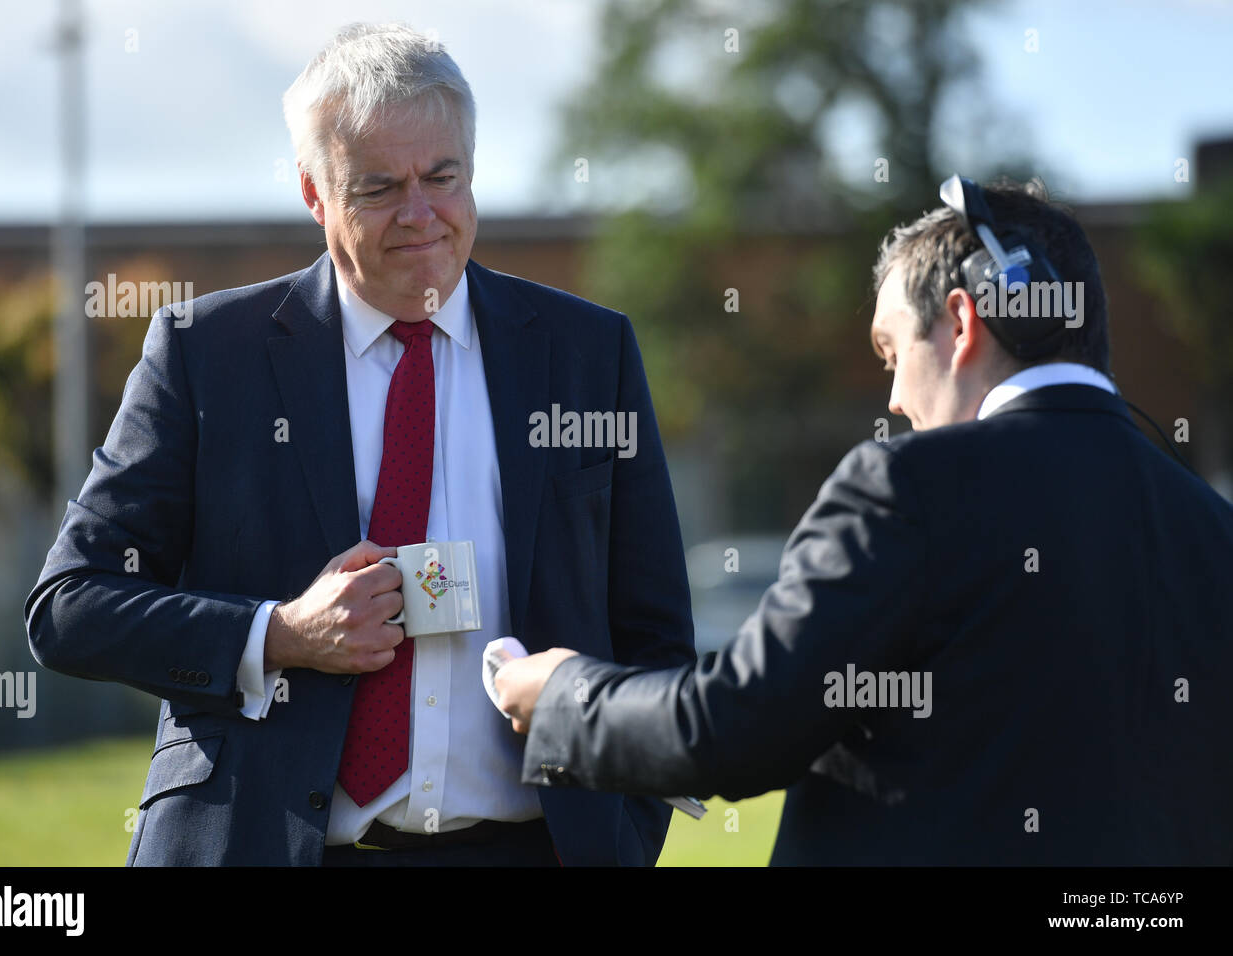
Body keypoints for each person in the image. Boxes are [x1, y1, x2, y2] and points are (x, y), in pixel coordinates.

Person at [25, 22, 694, 867]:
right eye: (378, 188)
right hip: (270, 846)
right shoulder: (208, 356)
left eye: (442, 177)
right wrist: (279, 634)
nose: (420, 216)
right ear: (314, 192)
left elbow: (657, 639)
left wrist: (628, 834)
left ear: (472, 171)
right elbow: (70, 606)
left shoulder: (587, 354)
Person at [496, 178, 1233, 865]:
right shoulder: (1212, 528)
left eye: (891, 353)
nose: (895, 401)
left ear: (963, 319)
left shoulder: (904, 486)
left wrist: (564, 693)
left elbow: (736, 726)